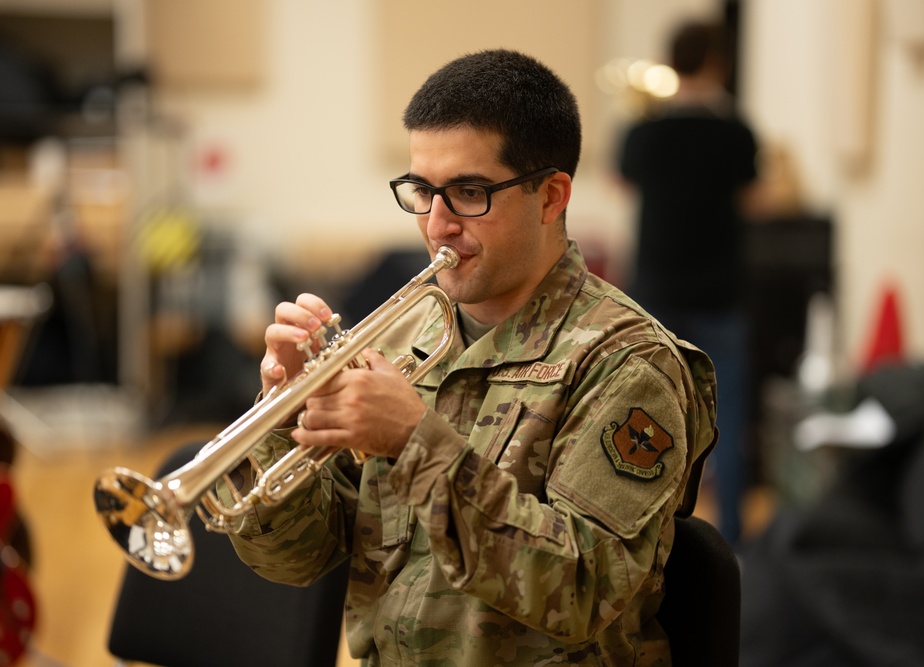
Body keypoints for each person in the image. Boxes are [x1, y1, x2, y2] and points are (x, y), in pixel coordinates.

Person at [225, 49, 717, 665]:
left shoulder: (628, 364)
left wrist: (412, 439)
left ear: (551, 196)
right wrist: (281, 414)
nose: (437, 224)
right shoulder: (408, 336)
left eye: (468, 192)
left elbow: (581, 589)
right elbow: (296, 559)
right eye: (422, 191)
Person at [617, 20, 760, 545]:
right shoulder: (736, 131)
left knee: (648, 415)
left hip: (655, 293)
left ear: (671, 61)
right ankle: (735, 543)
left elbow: (622, 182)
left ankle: (651, 537)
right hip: (720, 292)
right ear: (718, 64)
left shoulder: (643, 130)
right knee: (731, 419)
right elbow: (754, 200)